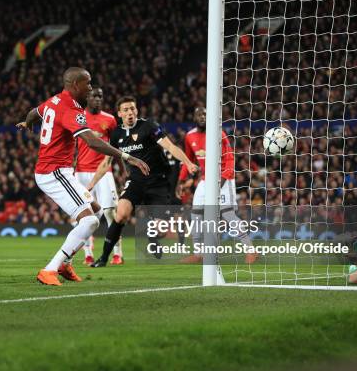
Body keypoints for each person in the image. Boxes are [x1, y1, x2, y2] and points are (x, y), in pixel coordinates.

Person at [17, 67, 149, 286]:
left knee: (96, 213)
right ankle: (50, 269)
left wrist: (27, 121)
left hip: (59, 171)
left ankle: (65, 263)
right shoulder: (70, 108)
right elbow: (92, 141)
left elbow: (35, 112)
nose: (90, 87)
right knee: (88, 220)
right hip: (54, 172)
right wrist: (128, 157)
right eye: (87, 83)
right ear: (75, 84)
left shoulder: (54, 100)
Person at [89, 96, 199, 267]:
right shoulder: (116, 134)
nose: (130, 112)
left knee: (160, 228)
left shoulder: (149, 126)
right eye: (125, 110)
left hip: (158, 182)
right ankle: (103, 258)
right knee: (121, 214)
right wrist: (90, 185)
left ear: (137, 110)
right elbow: (106, 163)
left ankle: (152, 237)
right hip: (136, 181)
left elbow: (170, 146)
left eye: (132, 108)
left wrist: (188, 162)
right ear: (119, 114)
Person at [176, 107, 258, 264]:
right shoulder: (189, 136)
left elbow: (229, 159)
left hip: (223, 179)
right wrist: (181, 181)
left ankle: (251, 250)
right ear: (194, 117)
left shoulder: (219, 134)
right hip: (205, 180)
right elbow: (188, 161)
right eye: (199, 114)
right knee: (196, 214)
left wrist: (223, 179)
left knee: (228, 215)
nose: (202, 117)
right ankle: (199, 254)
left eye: (205, 114)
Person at [74, 88, 124, 265]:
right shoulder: (79, 116)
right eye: (94, 96)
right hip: (80, 172)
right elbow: (72, 144)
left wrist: (123, 170)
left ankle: (117, 253)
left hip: (103, 172)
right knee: (81, 214)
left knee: (111, 212)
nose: (97, 99)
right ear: (87, 98)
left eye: (100, 97)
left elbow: (116, 147)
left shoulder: (110, 120)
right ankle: (87, 254)